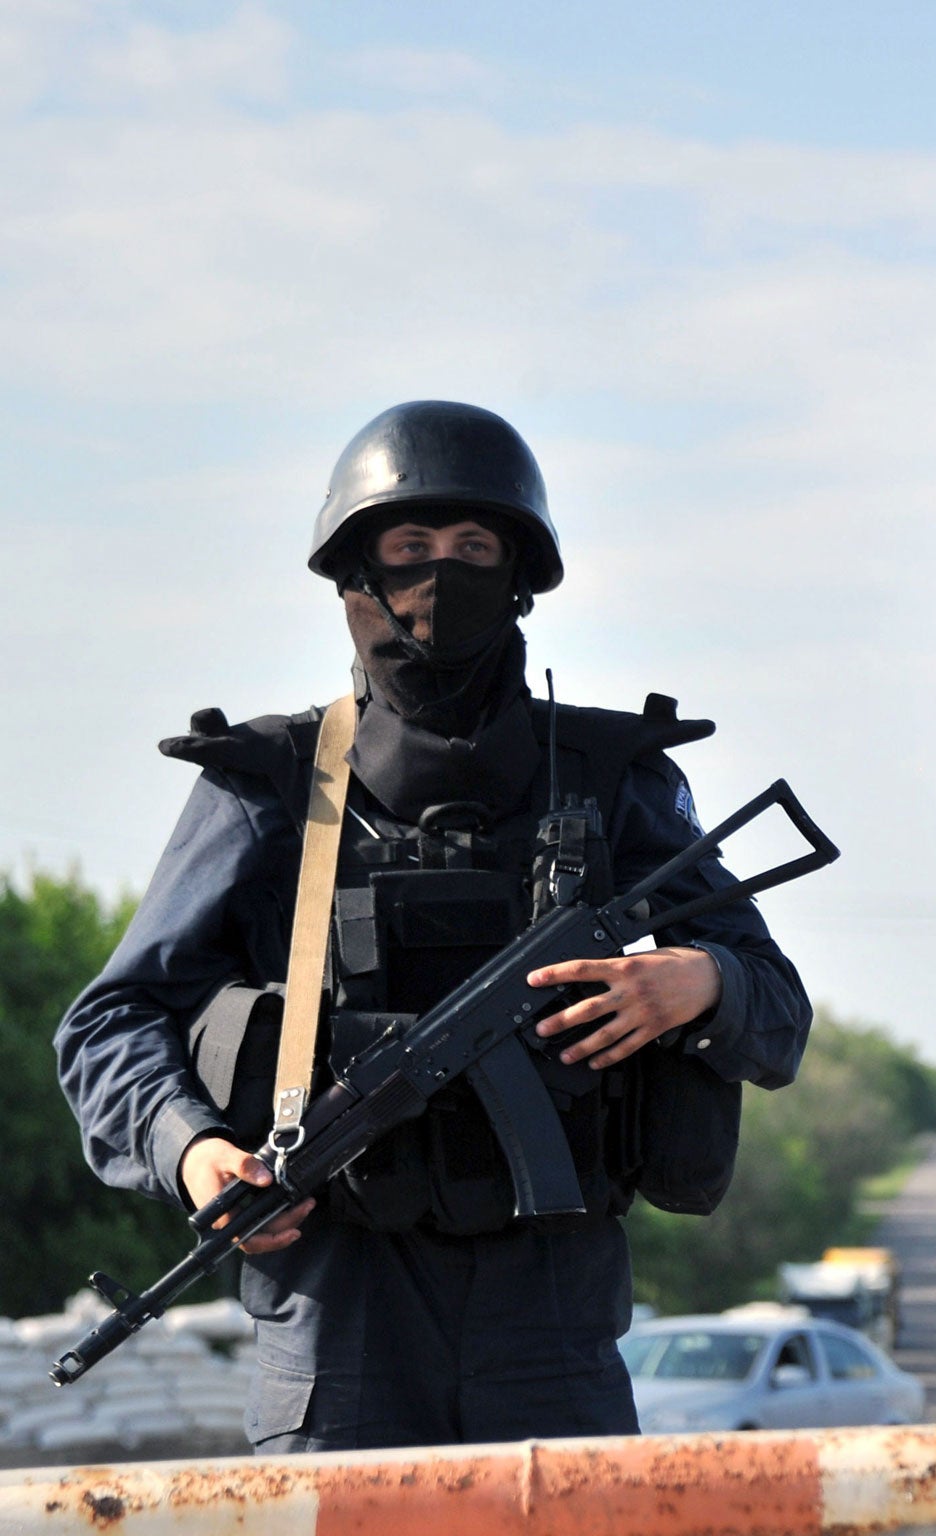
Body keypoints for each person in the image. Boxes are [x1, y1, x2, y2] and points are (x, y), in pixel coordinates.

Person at [55, 401, 812, 1451]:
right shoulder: (269, 788)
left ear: (519, 576)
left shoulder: (610, 779)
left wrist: (698, 984)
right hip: (337, 1316)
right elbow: (109, 1025)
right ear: (353, 576)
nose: (439, 576)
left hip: (551, 1315)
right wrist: (193, 1154)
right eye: (408, 548)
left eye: (473, 547)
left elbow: (776, 1007)